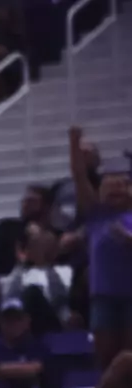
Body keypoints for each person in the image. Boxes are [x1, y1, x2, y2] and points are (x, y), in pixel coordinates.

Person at [69, 127, 132, 370]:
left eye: (121, 185)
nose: (115, 189)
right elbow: (79, 176)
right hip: (103, 297)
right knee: (106, 360)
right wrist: (73, 142)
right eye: (109, 185)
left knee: (128, 360)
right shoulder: (96, 215)